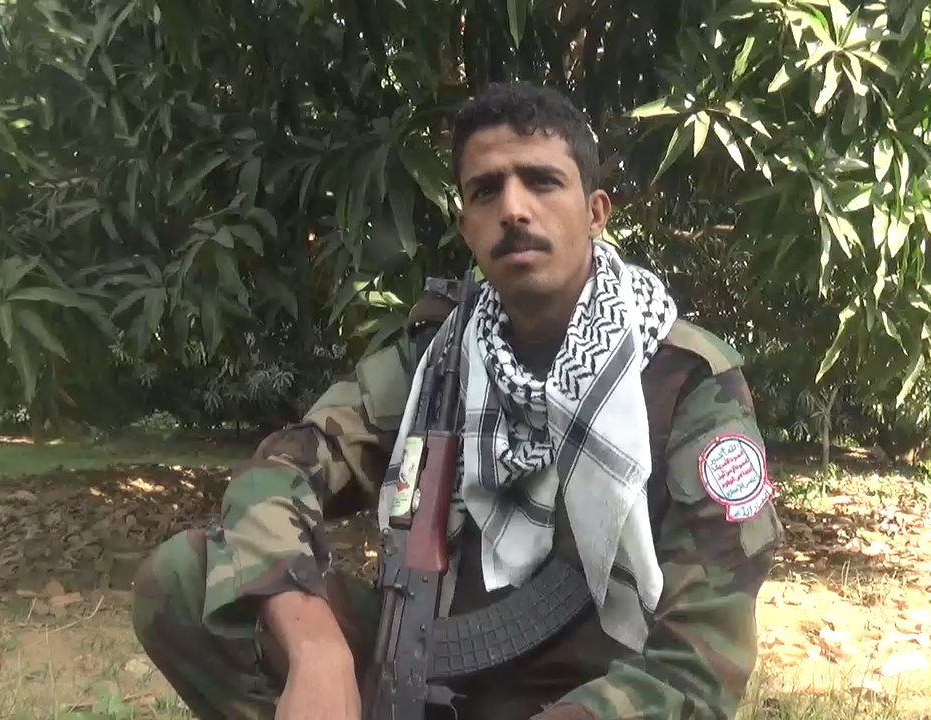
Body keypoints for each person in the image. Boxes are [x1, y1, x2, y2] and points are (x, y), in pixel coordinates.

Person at [131, 81, 782, 720]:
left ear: (596, 212)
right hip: (430, 672)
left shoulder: (683, 379)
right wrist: (316, 649)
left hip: (603, 695)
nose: (514, 209)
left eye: (543, 181)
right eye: (486, 190)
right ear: (468, 227)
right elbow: (277, 475)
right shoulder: (436, 364)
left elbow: (698, 662)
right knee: (186, 578)